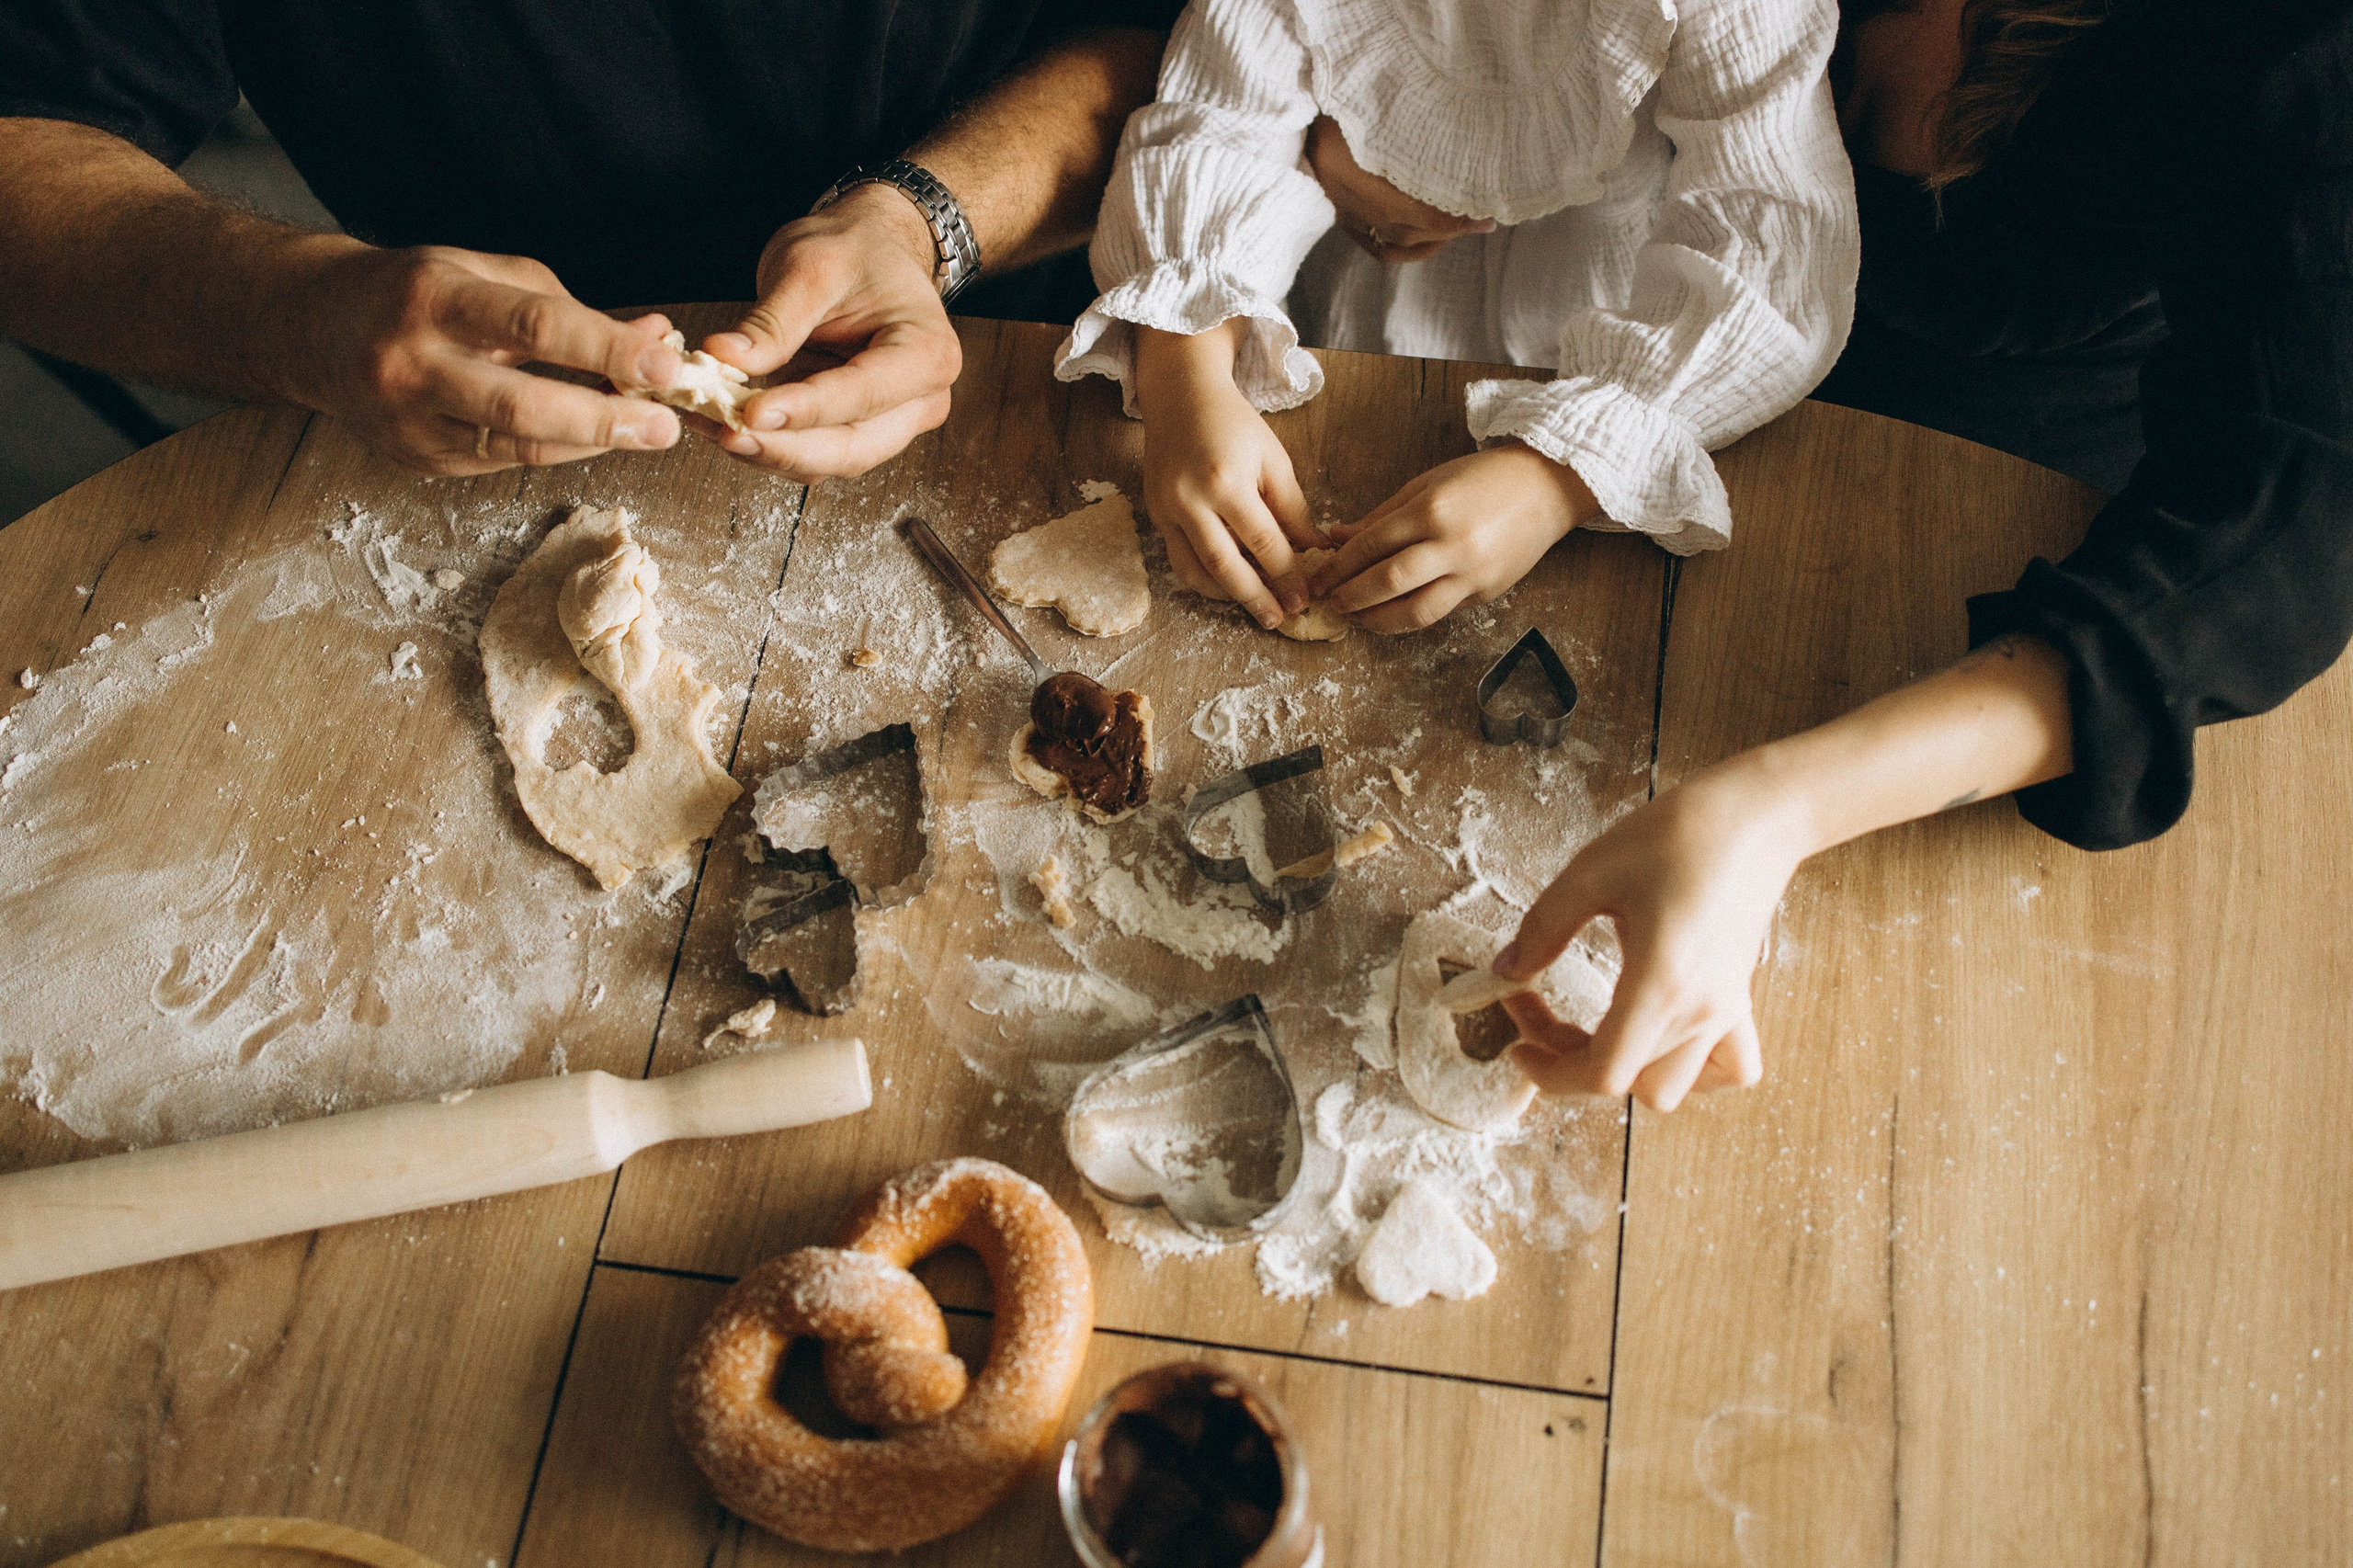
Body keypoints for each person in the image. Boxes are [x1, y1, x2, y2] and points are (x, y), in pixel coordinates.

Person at [1435, 0, 2352, 1111]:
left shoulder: (2288, 58)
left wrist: (1773, 812)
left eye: (1854, 84)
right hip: (1578, 289)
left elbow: (2281, 533)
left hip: (2001, 426)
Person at [0, 2, 1178, 484]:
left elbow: (1207, 54)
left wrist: (921, 223)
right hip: (462, 420)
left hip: (1050, 362)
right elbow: (26, 129)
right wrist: (293, 310)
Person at [1051, 0, 1860, 631]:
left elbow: (1774, 244)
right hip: (1335, 352)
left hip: (1628, 390)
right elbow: (1223, 122)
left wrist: (1558, 478)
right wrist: (1186, 372)